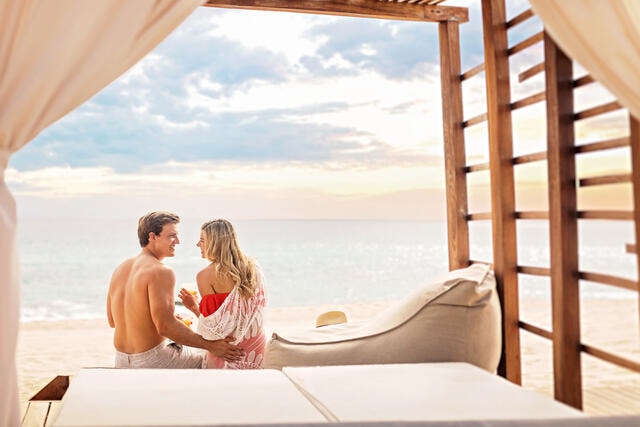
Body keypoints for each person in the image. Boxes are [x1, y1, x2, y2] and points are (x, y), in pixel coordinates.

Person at [106, 211, 245, 368]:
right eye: (171, 236)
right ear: (152, 237)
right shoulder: (160, 271)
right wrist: (212, 346)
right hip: (153, 360)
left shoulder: (120, 269)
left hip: (121, 360)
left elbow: (113, 321)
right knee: (209, 361)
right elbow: (165, 327)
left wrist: (162, 322)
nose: (177, 241)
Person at [178, 219, 267, 369]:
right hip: (256, 346)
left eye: (202, 240)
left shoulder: (205, 276)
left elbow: (213, 332)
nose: (198, 245)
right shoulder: (254, 268)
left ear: (214, 243)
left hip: (228, 352)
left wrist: (193, 306)